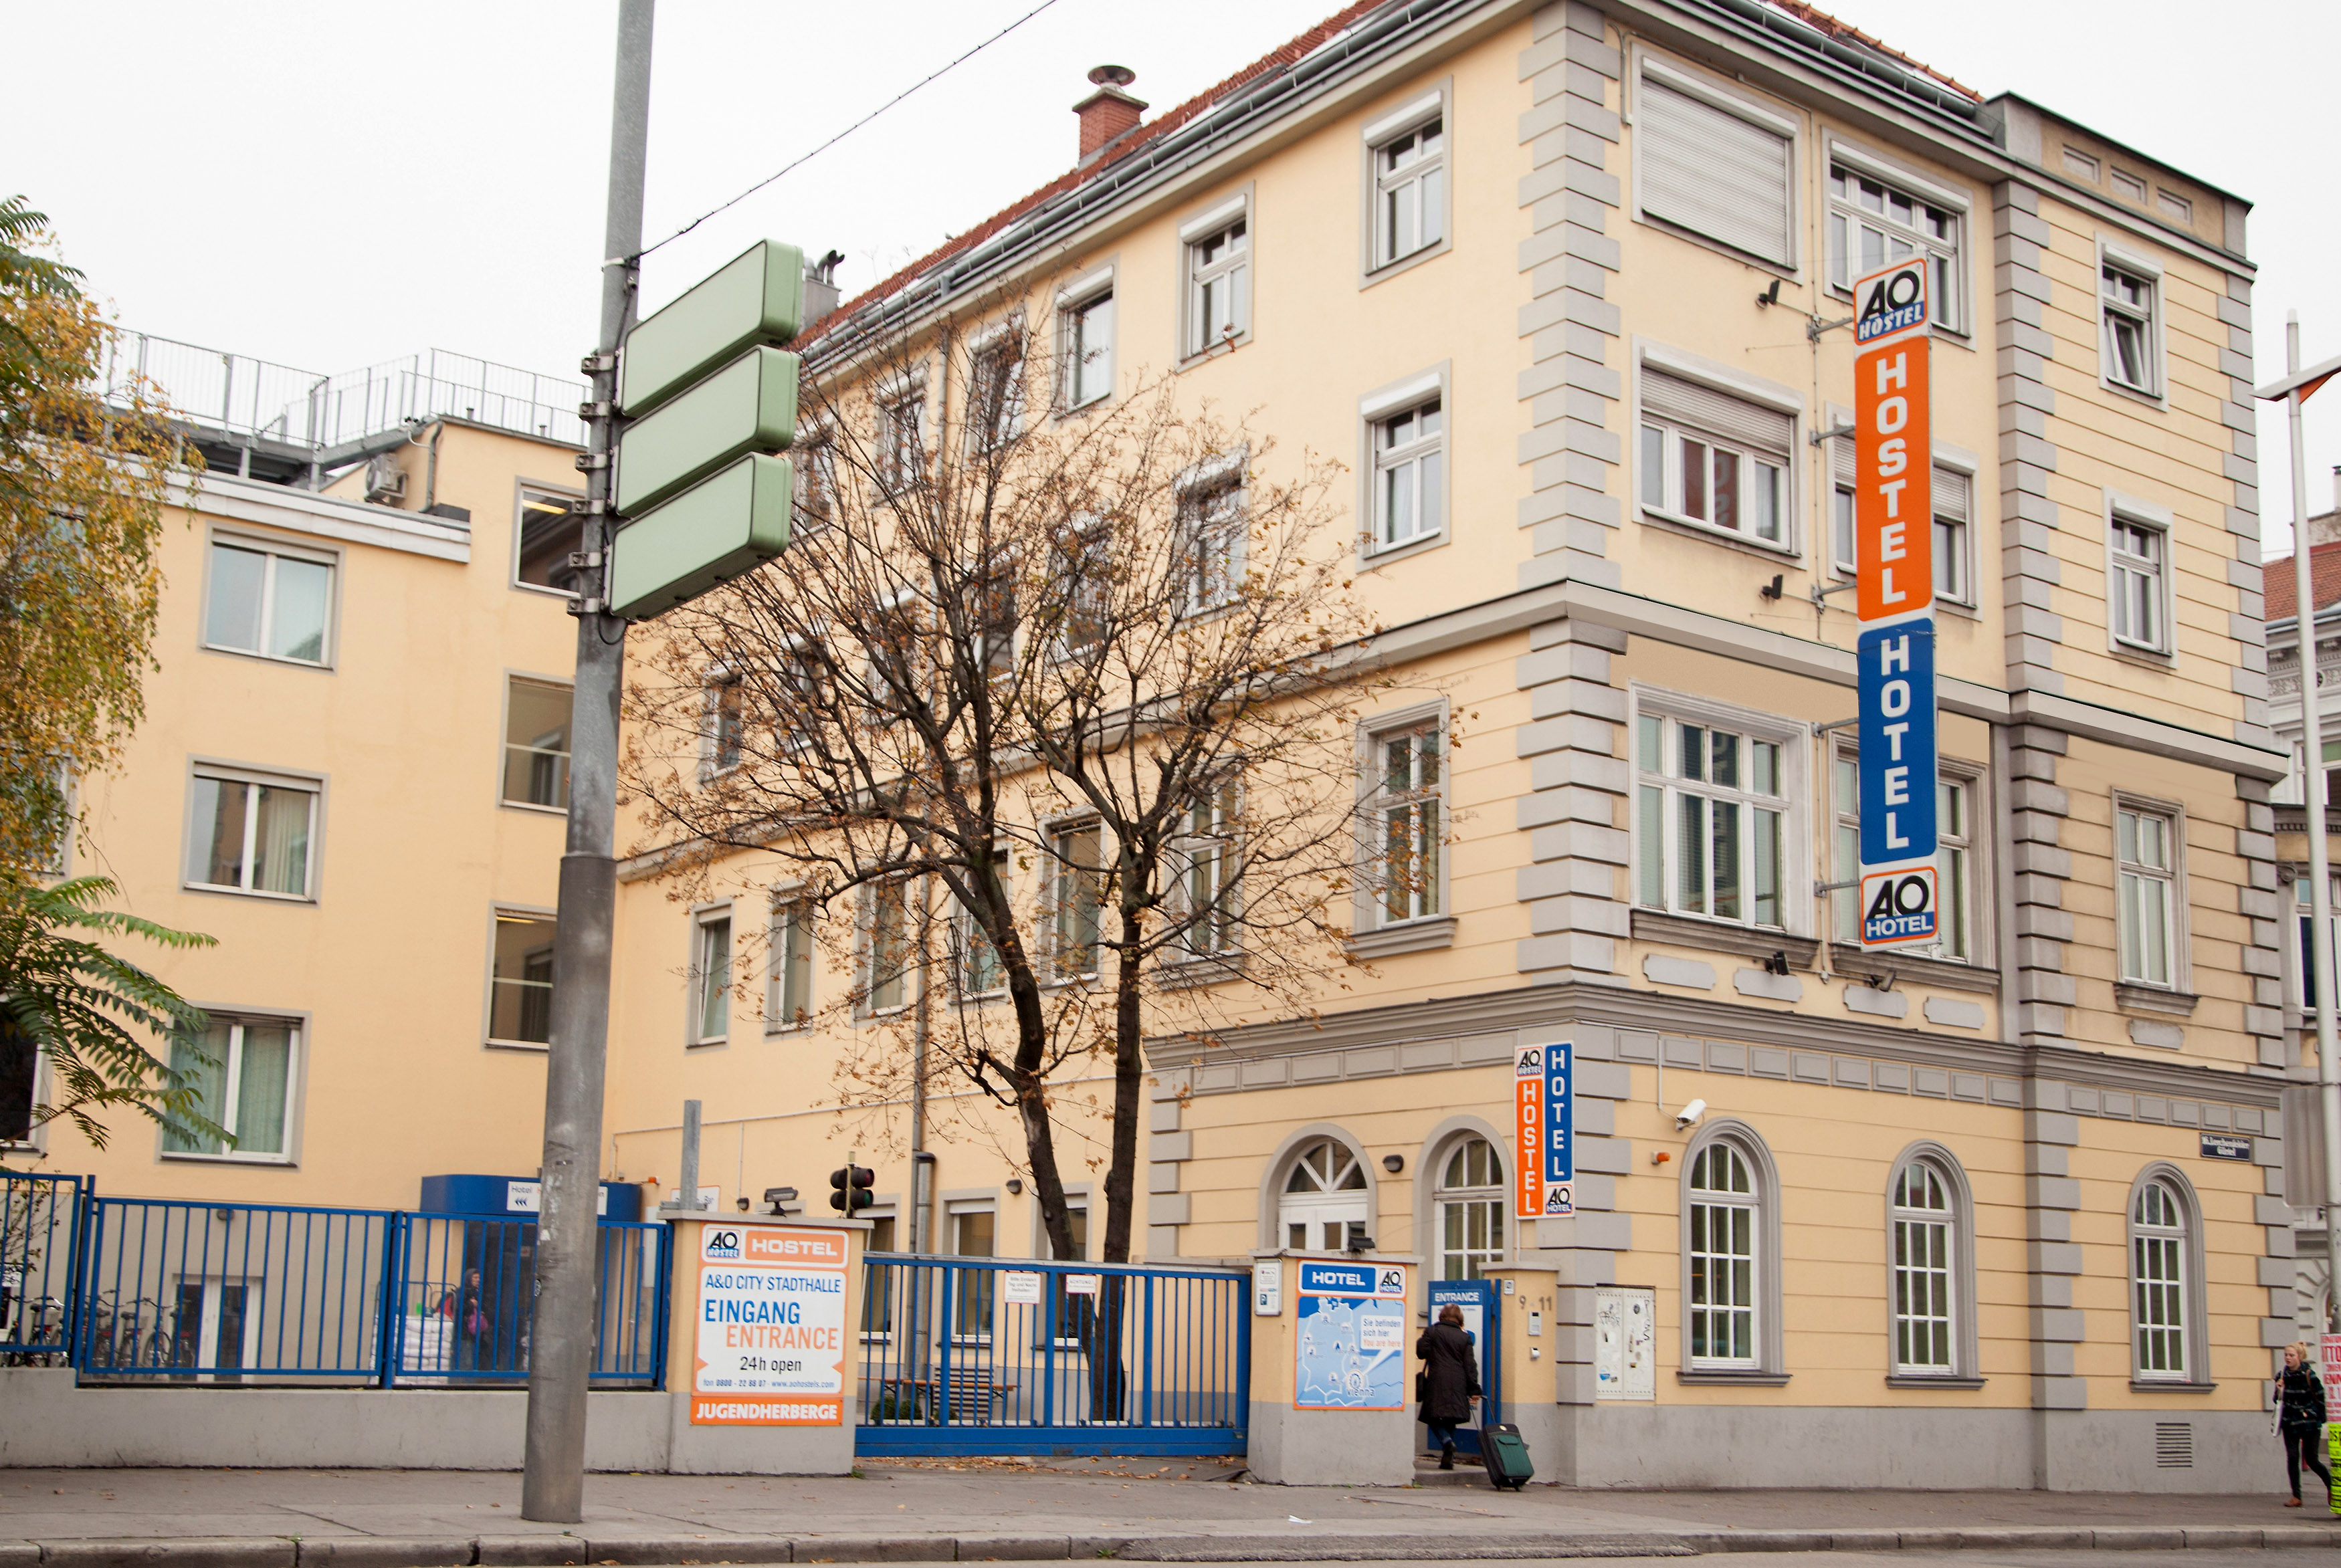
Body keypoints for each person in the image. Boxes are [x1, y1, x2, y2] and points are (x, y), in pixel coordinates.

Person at [1416, 1302, 1481, 1470]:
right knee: (1451, 1419)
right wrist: (1474, 1388)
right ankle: (1448, 1458)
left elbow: (1421, 1351)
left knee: (1432, 1417)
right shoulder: (1464, 1337)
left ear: (1442, 1315)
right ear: (1459, 1318)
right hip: (1459, 1382)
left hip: (1437, 1380)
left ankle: (1447, 1442)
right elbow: (1470, 1366)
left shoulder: (1433, 1331)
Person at [2274, 1341, 2331, 1508]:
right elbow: (2276, 1400)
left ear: (2300, 1357)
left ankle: (2333, 1488)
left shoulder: (2309, 1375)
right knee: (2292, 1458)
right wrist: (2279, 1389)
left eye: (2292, 1355)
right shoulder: (2282, 1375)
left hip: (2309, 1424)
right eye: (2286, 1355)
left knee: (2313, 1460)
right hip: (2290, 1422)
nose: (2288, 1358)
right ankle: (2296, 1496)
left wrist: (2308, 1412)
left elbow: (2320, 1399)